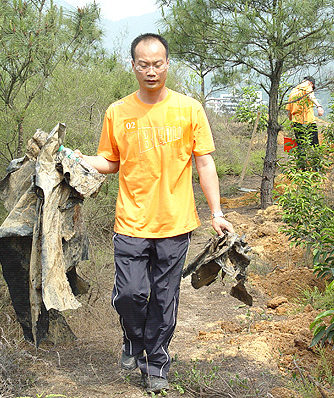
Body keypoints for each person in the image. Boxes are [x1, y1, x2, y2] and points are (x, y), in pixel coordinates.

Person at [79, 33, 234, 394]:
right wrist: (84, 160)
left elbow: (204, 162)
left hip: (175, 222)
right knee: (131, 294)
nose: (151, 71)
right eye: (144, 64)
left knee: (164, 299)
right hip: (131, 220)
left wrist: (217, 212)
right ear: (133, 66)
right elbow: (110, 161)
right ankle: (133, 340)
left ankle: (156, 365)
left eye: (158, 63)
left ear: (168, 64)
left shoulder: (189, 108)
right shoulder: (117, 112)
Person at [285, 76, 324, 148]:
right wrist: (319, 106)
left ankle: (302, 159)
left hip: (296, 122)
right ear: (311, 83)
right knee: (314, 145)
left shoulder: (293, 91)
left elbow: (289, 110)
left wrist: (291, 122)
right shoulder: (308, 85)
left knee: (300, 145)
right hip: (308, 121)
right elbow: (310, 95)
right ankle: (314, 159)